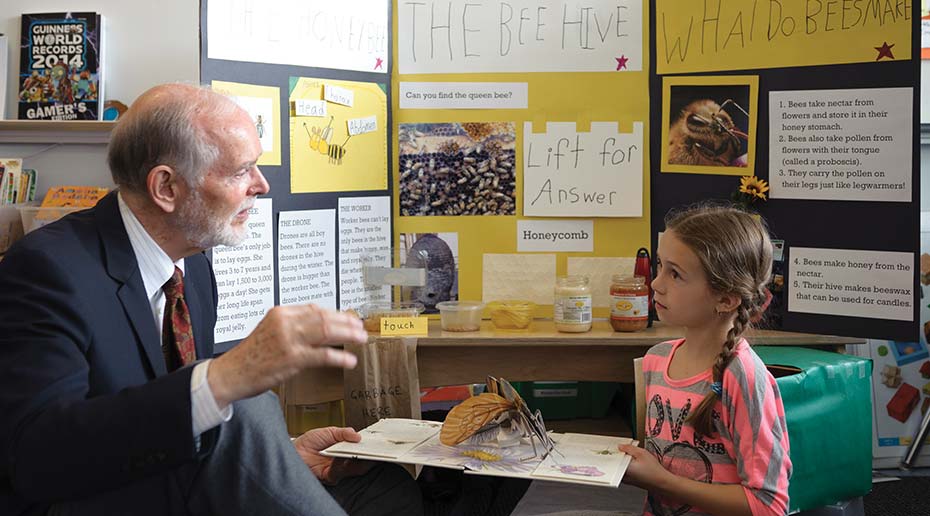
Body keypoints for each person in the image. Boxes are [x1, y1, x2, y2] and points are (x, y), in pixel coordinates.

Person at [0, 83, 422, 516]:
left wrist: (281, 455)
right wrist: (225, 379)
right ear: (166, 187)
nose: (261, 184)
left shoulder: (195, 266)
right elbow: (36, 457)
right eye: (241, 171)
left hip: (182, 485)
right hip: (94, 501)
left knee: (387, 490)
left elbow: (189, 429)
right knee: (250, 407)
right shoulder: (45, 270)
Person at [618, 205, 791, 516]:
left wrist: (664, 482)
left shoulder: (743, 378)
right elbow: (660, 466)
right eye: (660, 266)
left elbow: (769, 505)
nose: (656, 284)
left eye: (675, 274)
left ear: (725, 299)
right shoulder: (655, 360)